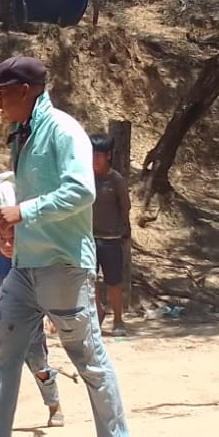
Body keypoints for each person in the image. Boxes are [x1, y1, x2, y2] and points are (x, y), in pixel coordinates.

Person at [0, 56, 132, 437]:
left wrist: (23, 213)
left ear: (25, 91)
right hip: (26, 266)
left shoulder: (63, 130)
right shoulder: (21, 134)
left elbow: (81, 192)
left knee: (86, 354)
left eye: (3, 93)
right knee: (2, 347)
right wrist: (15, 233)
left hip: (64, 265)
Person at [0, 139, 64, 427]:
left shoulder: (8, 191)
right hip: (4, 308)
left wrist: (51, 312)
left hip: (29, 300)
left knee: (37, 360)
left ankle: (53, 404)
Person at [89, 134, 132, 335]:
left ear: (108, 156)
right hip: (89, 238)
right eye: (91, 155)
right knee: (90, 281)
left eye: (98, 156)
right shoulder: (86, 178)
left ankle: (118, 320)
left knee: (114, 282)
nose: (94, 160)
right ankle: (97, 314)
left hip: (112, 240)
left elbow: (125, 207)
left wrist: (124, 232)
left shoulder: (116, 180)